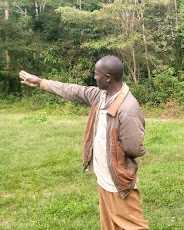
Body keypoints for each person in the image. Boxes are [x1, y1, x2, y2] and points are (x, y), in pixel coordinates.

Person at [19, 56, 149, 230]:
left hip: (119, 180)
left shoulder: (127, 108)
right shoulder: (101, 96)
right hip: (104, 177)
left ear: (108, 77)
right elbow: (73, 90)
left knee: (133, 225)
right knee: (110, 225)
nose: (95, 77)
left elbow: (133, 147)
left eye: (97, 74)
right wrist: (42, 82)